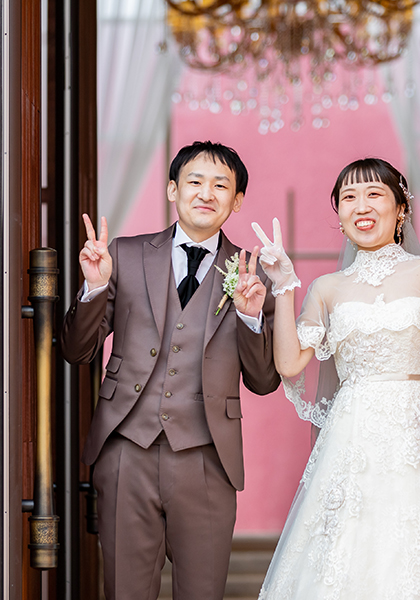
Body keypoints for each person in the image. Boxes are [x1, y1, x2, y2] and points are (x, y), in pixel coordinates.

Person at [251, 158, 420, 599]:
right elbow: (288, 364)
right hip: (353, 438)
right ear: (340, 215)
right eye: (349, 197)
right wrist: (284, 286)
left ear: (400, 210)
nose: (361, 205)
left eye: (374, 194)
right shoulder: (327, 288)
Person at [61, 141, 280, 600]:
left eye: (221, 185)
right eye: (195, 181)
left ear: (237, 200)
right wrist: (94, 287)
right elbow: (78, 350)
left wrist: (249, 318)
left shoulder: (254, 273)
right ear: (172, 189)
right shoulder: (125, 254)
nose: (206, 193)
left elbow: (263, 381)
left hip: (208, 457)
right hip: (126, 449)